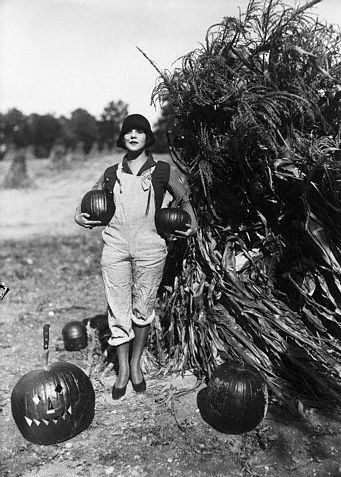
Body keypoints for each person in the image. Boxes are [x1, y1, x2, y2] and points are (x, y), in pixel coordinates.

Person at [74, 114, 197, 399]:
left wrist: (192, 227)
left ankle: (136, 363)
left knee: (143, 307)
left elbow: (185, 199)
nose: (133, 135)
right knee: (118, 308)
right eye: (128, 131)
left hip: (150, 245)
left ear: (147, 137)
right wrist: (78, 218)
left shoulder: (163, 170)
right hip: (115, 246)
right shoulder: (109, 173)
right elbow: (88, 200)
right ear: (122, 138)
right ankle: (123, 370)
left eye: (139, 131)